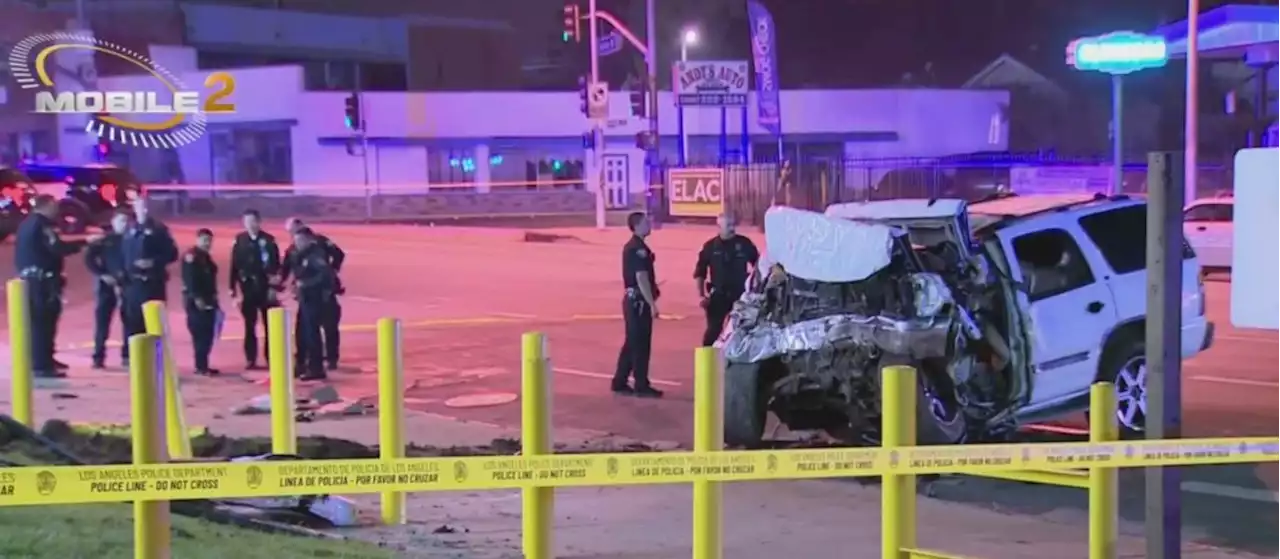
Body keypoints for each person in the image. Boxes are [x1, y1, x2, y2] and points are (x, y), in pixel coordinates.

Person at [13, 194, 92, 378]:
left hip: (31, 280)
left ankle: (45, 358)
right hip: (43, 282)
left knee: (39, 322)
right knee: (44, 322)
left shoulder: (26, 224)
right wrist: (83, 243)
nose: (57, 209)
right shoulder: (44, 225)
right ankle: (42, 365)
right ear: (46, 206)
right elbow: (57, 247)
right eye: (54, 205)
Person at [281, 217, 346, 370]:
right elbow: (286, 268)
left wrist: (333, 270)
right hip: (307, 295)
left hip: (324, 292)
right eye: (291, 233)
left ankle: (330, 358)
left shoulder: (319, 244)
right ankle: (306, 360)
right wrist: (282, 282)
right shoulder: (293, 249)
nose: (294, 236)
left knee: (329, 326)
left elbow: (338, 255)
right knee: (305, 329)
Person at [612, 212, 663, 398]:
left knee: (632, 342)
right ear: (637, 226)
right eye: (645, 222)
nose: (649, 224)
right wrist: (652, 304)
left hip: (633, 301)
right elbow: (641, 277)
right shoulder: (637, 248)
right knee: (641, 343)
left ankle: (620, 381)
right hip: (638, 303)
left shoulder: (637, 246)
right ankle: (641, 384)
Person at [694, 213, 759, 346]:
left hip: (740, 296)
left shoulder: (744, 243)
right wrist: (701, 295)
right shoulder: (710, 247)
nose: (732, 228)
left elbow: (758, 265)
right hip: (718, 296)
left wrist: (756, 288)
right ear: (719, 227)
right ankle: (708, 364)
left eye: (733, 224)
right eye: (728, 225)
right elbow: (700, 272)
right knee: (713, 331)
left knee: (742, 331)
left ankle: (735, 362)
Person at [228, 209, 282, 370]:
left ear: (259, 222)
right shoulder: (240, 240)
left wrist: (274, 287)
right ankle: (250, 359)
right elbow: (234, 266)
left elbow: (275, 266)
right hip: (248, 288)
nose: (250, 225)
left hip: (265, 288)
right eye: (246, 221)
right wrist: (232, 288)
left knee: (269, 326)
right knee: (249, 326)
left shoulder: (269, 241)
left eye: (252, 221)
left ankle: (271, 357)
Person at [120, 197, 179, 339]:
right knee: (133, 325)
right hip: (133, 284)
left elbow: (172, 254)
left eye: (145, 207)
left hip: (153, 284)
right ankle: (132, 358)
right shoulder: (129, 229)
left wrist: (153, 262)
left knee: (154, 324)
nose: (143, 210)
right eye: (139, 207)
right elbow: (122, 254)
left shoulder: (159, 229)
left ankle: (156, 359)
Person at [288, 226, 337, 381]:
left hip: (315, 300)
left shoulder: (316, 255)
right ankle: (302, 364)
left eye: (301, 240)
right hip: (305, 299)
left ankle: (316, 368)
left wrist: (305, 284)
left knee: (312, 334)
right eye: (296, 241)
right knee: (301, 333)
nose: (297, 244)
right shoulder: (299, 254)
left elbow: (325, 276)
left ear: (309, 240)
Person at [84, 210, 132, 369]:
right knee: (102, 322)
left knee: (130, 321)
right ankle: (98, 356)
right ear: (113, 221)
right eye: (120, 220)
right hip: (106, 286)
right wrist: (102, 274)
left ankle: (128, 355)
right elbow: (89, 258)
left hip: (127, 285)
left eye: (126, 221)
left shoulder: (132, 239)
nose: (123, 224)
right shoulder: (105, 241)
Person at [182, 228, 220, 376]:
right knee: (200, 334)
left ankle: (203, 364)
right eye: (204, 240)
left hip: (209, 300)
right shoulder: (192, 257)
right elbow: (190, 280)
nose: (207, 243)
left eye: (209, 240)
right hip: (196, 302)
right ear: (197, 240)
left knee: (208, 334)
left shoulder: (205, 257)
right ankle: (200, 366)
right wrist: (197, 298)